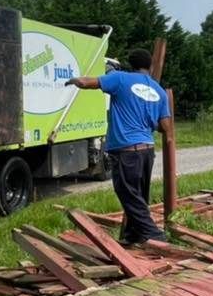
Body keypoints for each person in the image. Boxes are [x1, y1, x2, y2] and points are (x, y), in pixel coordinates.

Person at [65, 48, 174, 245]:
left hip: (126, 151)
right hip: (147, 150)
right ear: (149, 66)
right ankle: (133, 236)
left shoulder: (121, 79)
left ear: (130, 64)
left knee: (128, 194)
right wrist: (148, 120)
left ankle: (156, 237)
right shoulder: (159, 90)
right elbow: (166, 127)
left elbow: (86, 82)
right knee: (139, 195)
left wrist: (73, 80)